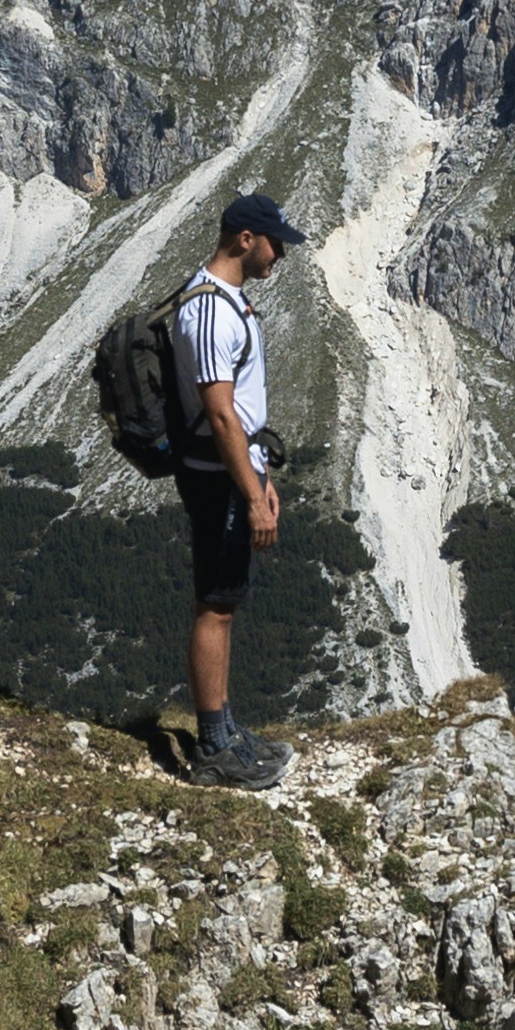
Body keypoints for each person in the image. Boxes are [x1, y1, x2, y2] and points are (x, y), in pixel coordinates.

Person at [174, 192, 299, 787]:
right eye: (276, 243)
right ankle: (211, 748)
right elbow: (222, 416)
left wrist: (262, 481)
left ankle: (225, 731)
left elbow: (240, 418)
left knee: (225, 603)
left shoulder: (228, 303)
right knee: (216, 605)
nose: (281, 255)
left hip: (236, 473)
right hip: (216, 479)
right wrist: (250, 495)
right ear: (245, 239)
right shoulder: (210, 311)